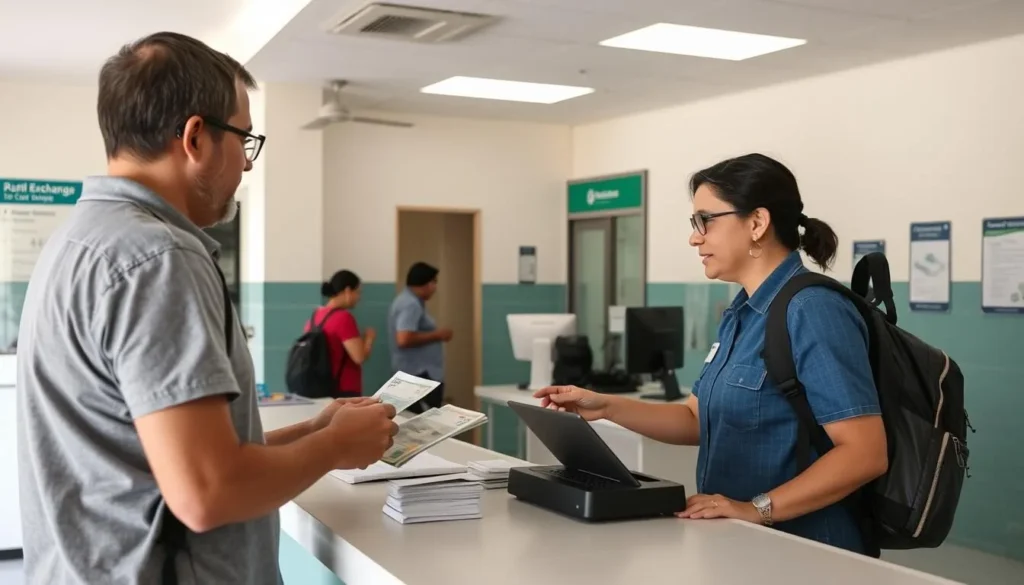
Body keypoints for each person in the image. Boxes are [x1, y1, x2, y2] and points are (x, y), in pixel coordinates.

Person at [15, 32, 398, 585]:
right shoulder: (157, 258)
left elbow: (165, 462)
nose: (245, 164)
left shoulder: (80, 241)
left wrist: (315, 429)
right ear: (195, 137)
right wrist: (336, 447)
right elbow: (207, 492)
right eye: (244, 139)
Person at [534, 153, 888, 555]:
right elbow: (695, 420)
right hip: (740, 544)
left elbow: (864, 454)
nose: (694, 237)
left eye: (706, 220)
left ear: (757, 223)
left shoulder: (812, 309)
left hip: (805, 549)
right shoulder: (741, 313)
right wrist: (604, 406)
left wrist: (755, 510)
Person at [387, 261, 452, 413]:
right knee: (426, 424)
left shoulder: (408, 301)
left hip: (414, 374)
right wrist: (438, 335)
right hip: (418, 376)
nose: (435, 288)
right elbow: (404, 338)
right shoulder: (410, 305)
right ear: (426, 283)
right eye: (434, 282)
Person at [310, 269, 375, 397]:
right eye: (358, 292)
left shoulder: (315, 316)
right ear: (347, 291)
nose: (359, 298)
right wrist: (369, 339)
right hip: (344, 390)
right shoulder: (344, 318)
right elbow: (359, 357)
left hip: (321, 387)